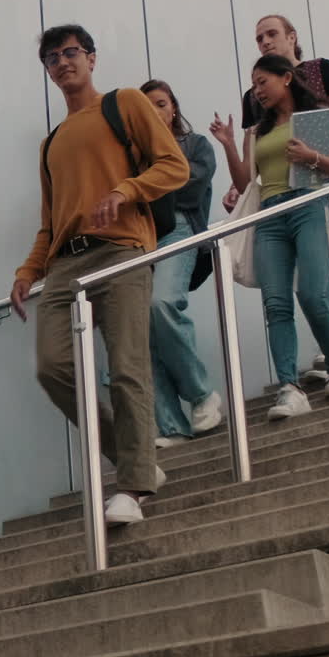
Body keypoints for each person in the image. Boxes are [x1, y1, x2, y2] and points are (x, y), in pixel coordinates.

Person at [10, 24, 189, 526]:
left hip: (121, 250)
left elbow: (173, 166)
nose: (62, 62)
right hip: (66, 262)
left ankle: (132, 486)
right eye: (51, 58)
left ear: (91, 58)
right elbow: (51, 222)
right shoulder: (51, 143)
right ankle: (139, 456)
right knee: (52, 368)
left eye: (70, 53)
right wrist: (28, 270)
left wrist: (126, 191)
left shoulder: (125, 103)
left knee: (128, 366)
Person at [211, 55, 329, 422]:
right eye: (254, 84)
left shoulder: (316, 116)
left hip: (307, 204)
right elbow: (244, 185)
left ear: (286, 78)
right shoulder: (257, 130)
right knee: (276, 304)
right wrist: (227, 143)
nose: (257, 90)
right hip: (269, 216)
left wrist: (311, 156)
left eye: (262, 81)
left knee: (312, 293)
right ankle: (290, 387)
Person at [223, 13, 329, 219]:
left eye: (272, 34)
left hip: (326, 184)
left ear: (292, 37)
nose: (265, 41)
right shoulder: (254, 95)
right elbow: (255, 150)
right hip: (277, 193)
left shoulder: (321, 69)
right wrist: (235, 187)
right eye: (259, 38)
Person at [140, 80, 220, 446]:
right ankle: (172, 425)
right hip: (140, 241)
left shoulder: (195, 145)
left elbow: (188, 186)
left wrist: (143, 183)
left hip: (180, 229)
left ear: (173, 108)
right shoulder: (134, 157)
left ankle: (202, 395)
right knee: (144, 334)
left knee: (162, 304)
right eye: (147, 106)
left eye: (160, 103)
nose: (154, 111)